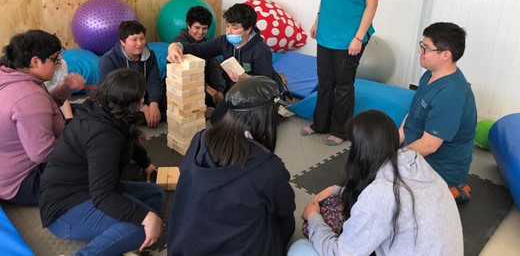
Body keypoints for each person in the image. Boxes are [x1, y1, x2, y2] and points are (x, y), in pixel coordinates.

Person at [289, 110, 463, 256]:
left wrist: (313, 218)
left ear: (361, 151)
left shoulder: (381, 194)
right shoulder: (413, 160)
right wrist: (337, 190)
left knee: (302, 251)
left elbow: (341, 253)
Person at [39, 69, 164, 255]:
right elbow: (103, 194)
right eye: (141, 97)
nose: (143, 100)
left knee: (155, 194)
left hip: (89, 187)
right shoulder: (103, 135)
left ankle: (121, 237)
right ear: (130, 102)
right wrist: (145, 218)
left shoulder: (106, 108)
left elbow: (127, 136)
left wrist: (145, 163)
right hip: (65, 210)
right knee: (143, 226)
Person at [167, 76, 295, 256]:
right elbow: (285, 208)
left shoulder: (200, 139)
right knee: (287, 223)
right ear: (267, 118)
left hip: (184, 247)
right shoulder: (268, 168)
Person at [301, 0, 383, 146]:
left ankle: (340, 130)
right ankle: (320, 124)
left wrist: (358, 37)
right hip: (327, 30)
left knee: (343, 85)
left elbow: (371, 5)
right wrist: (317, 20)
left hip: (350, 37)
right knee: (325, 81)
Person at [0, 29, 84, 206]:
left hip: (7, 170)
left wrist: (65, 87)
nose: (59, 64)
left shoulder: (10, 78)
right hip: (24, 181)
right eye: (55, 60)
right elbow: (43, 153)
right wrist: (80, 140)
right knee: (98, 161)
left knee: (85, 120)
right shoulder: (28, 96)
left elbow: (44, 107)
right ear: (35, 61)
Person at [399, 22, 477, 203]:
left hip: (438, 166)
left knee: (386, 192)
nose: (420, 51)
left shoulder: (451, 94)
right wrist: (391, 143)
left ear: (445, 55)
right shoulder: (429, 75)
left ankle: (450, 191)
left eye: (425, 48)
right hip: (414, 151)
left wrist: (394, 159)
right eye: (421, 45)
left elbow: (429, 145)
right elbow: (411, 116)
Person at [98, 20, 165, 128]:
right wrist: (141, 107)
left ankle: (154, 116)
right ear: (122, 42)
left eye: (142, 38)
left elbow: (154, 80)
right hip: (123, 100)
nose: (139, 43)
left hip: (144, 96)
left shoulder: (150, 55)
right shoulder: (109, 59)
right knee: (112, 113)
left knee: (169, 99)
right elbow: (107, 92)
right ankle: (153, 117)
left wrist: (153, 103)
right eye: (134, 40)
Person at [172, 6, 226, 108]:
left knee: (227, 88)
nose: (201, 32)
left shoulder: (206, 42)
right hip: (187, 83)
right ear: (189, 25)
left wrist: (220, 90)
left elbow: (213, 67)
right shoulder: (180, 41)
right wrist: (207, 88)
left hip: (204, 80)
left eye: (204, 28)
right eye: (197, 28)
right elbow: (183, 75)